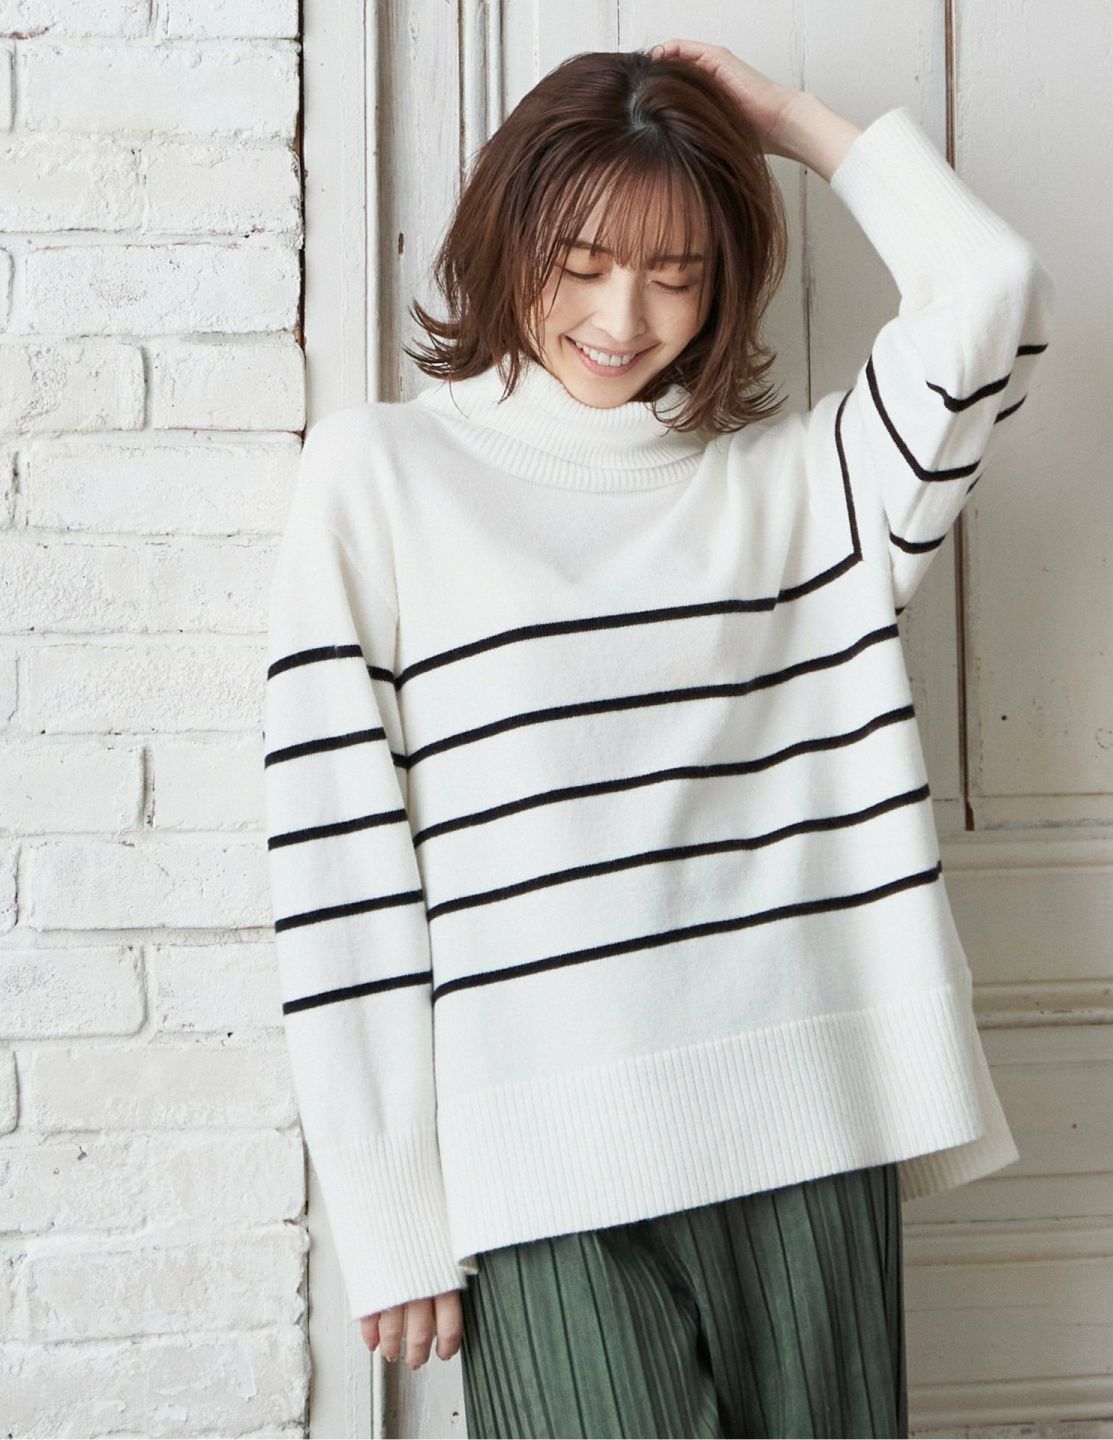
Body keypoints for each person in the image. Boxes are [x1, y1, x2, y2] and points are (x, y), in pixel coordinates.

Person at [262, 38, 1055, 1440]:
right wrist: (391, 1209)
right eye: (579, 261)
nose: (621, 316)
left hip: (812, 1134)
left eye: (675, 274)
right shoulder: (379, 477)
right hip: (541, 1172)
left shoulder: (810, 492)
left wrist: (791, 123)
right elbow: (339, 861)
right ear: (505, 236)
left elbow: (991, 289)